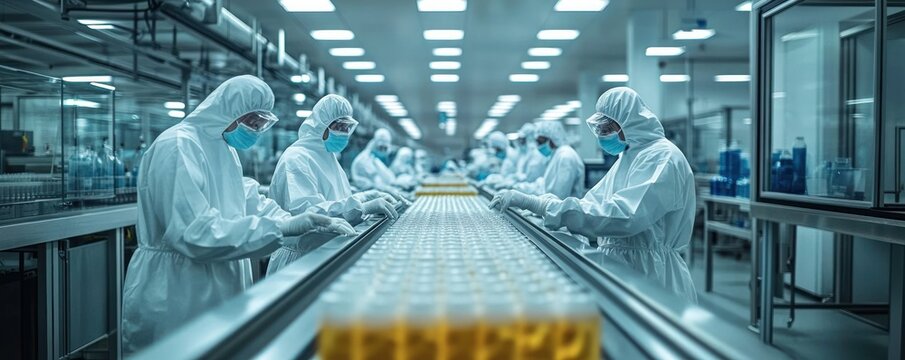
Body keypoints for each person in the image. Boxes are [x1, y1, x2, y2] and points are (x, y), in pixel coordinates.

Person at [121, 76, 356, 353]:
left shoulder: (223, 149)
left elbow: (248, 201)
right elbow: (194, 233)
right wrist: (279, 229)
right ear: (227, 110)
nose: (255, 131)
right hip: (177, 288)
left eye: (260, 124)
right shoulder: (178, 146)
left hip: (219, 279)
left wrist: (295, 222)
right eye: (252, 122)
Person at [489, 87, 697, 302]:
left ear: (630, 121)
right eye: (599, 128)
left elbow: (623, 216)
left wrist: (537, 204)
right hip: (624, 266)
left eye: (607, 128)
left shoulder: (662, 157)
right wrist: (542, 203)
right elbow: (592, 203)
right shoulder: (628, 157)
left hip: (653, 273)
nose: (602, 135)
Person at [267, 94, 400, 274]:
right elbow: (309, 212)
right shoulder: (296, 158)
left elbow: (336, 200)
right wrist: (363, 207)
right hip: (299, 259)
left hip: (326, 252)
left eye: (347, 127)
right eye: (339, 126)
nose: (344, 133)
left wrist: (365, 196)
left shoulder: (329, 157)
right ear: (320, 125)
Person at [512, 120, 585, 199]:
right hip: (554, 208)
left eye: (540, 142)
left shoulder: (565, 156)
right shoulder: (556, 155)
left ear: (552, 138)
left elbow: (559, 196)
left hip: (564, 210)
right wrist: (519, 188)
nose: (538, 146)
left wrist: (534, 204)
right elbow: (544, 185)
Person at [351, 128, 413, 193]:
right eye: (381, 148)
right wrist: (390, 189)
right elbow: (374, 183)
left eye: (385, 148)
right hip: (366, 194)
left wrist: (396, 184)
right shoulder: (364, 160)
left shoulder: (375, 159)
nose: (384, 151)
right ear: (375, 144)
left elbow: (387, 178)